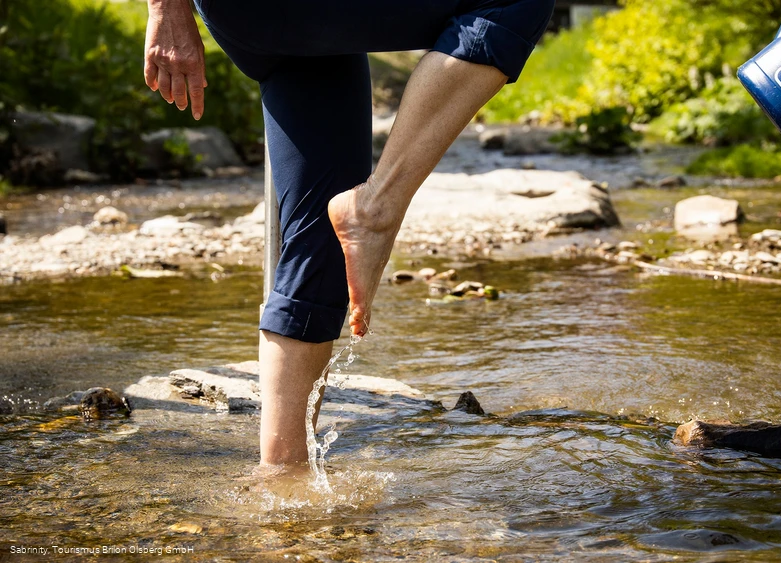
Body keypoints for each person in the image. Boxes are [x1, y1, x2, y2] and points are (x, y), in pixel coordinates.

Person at [144, 0, 555, 469]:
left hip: (276, 26)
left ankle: (283, 481)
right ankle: (376, 207)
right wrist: (165, 9)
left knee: (321, 248)